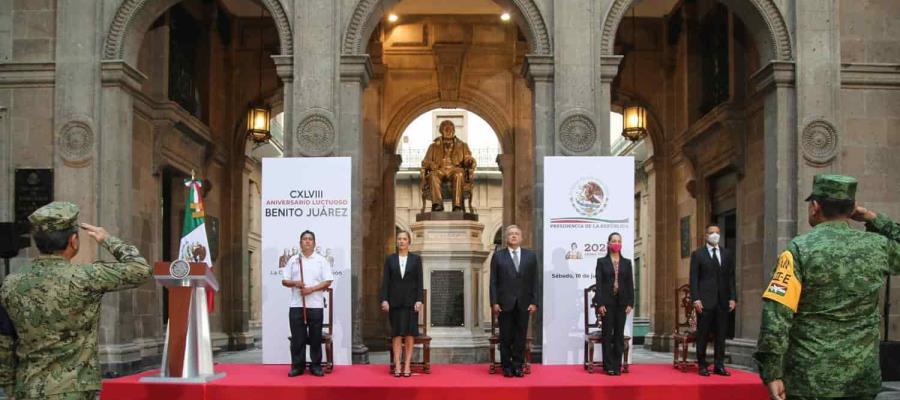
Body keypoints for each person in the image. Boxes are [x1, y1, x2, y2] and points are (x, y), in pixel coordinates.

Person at [754, 174, 900, 400]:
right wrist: (873, 217)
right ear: (852, 208)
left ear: (815, 206)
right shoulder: (879, 246)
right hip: (861, 380)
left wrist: (771, 372)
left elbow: (776, 316)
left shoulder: (799, 250)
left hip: (810, 380)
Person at [0, 201, 152, 400]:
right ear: (73, 241)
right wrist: (107, 239)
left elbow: (4, 340)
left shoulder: (11, 283)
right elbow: (140, 270)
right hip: (74, 388)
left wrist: (10, 388)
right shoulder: (86, 277)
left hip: (26, 387)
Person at [282, 230, 334, 377]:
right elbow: (285, 281)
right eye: (304, 239)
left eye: (310, 239)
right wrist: (295, 283)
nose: (307, 241)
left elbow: (328, 281)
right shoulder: (293, 260)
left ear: (314, 243)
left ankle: (316, 366)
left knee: (315, 337)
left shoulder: (321, 260)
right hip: (297, 305)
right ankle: (298, 366)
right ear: (300, 243)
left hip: (315, 305)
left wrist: (311, 289)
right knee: (298, 338)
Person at [489, 225, 539, 378]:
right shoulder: (498, 256)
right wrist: (494, 302)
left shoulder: (530, 256)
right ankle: (506, 366)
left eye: (516, 233)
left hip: (524, 303)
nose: (513, 236)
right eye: (510, 234)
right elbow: (493, 282)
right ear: (506, 238)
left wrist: (534, 302)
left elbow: (535, 281)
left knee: (520, 336)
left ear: (521, 237)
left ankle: (518, 365)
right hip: (505, 303)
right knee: (506, 336)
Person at [690, 223, 736, 376]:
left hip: (723, 301)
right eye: (711, 232)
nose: (715, 235)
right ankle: (702, 365)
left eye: (717, 232)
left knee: (721, 334)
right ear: (706, 235)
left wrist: (732, 297)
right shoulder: (698, 255)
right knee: (703, 334)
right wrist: (696, 299)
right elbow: (694, 279)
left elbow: (731, 278)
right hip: (705, 301)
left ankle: (719, 365)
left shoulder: (727, 254)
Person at [379, 231, 424, 378]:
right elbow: (385, 282)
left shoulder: (416, 260)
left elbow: (419, 282)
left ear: (409, 242)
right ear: (396, 242)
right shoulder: (390, 259)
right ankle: (397, 364)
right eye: (399, 239)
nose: (401, 241)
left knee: (410, 335)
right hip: (395, 303)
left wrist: (419, 300)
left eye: (404, 239)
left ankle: (407, 365)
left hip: (411, 303)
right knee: (397, 334)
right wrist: (384, 300)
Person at [592, 232, 634, 375]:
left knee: (619, 335)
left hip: (622, 303)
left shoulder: (627, 263)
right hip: (607, 303)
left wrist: (631, 302)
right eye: (614, 241)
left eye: (619, 241)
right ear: (609, 244)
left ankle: (617, 365)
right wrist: (600, 304)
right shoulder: (601, 262)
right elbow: (599, 284)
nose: (616, 243)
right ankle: (608, 366)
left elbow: (630, 284)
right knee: (607, 334)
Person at [421, 120, 476, 212]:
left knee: (459, 174)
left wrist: (469, 161)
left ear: (453, 130)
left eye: (450, 129)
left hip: (455, 169)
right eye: (445, 129)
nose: (447, 130)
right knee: (433, 175)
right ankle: (437, 204)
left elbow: (467, 158)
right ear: (441, 131)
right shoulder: (433, 146)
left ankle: (457, 206)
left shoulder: (462, 145)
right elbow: (425, 161)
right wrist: (431, 164)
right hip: (439, 169)